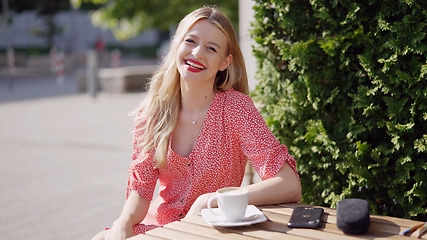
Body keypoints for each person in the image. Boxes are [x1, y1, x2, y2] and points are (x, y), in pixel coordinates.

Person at [92, 5, 302, 240]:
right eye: (190, 41)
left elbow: (289, 185)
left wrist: (213, 200)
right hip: (161, 228)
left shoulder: (236, 109)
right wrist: (123, 222)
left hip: (212, 231)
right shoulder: (151, 112)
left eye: (211, 48)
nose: (197, 53)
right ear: (177, 45)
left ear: (225, 61)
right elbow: (141, 192)